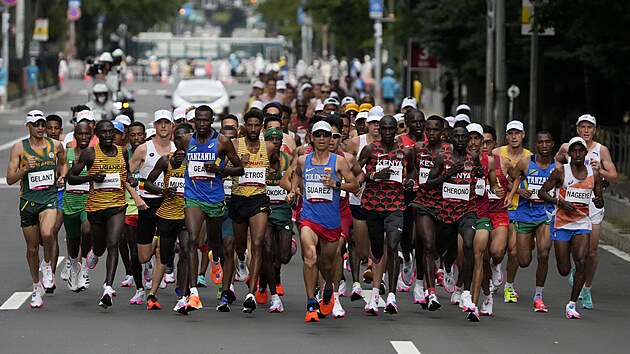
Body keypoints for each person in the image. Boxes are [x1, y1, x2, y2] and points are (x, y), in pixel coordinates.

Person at [288, 121, 360, 322]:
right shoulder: (303, 160)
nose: (321, 138)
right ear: (311, 137)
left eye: (325, 135)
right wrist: (294, 191)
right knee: (310, 256)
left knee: (327, 264)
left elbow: (355, 185)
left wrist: (336, 184)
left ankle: (328, 288)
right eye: (317, 134)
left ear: (330, 139)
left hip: (331, 221)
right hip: (309, 219)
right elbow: (296, 176)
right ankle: (311, 302)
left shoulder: (339, 162)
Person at [178, 105, 243, 312]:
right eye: (198, 120)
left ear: (212, 120)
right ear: (194, 121)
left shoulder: (222, 141)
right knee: (192, 239)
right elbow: (177, 159)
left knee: (216, 244)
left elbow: (239, 168)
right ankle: (193, 292)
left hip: (215, 199)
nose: (202, 124)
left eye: (206, 120)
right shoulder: (187, 140)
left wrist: (219, 170)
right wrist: (175, 159)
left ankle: (217, 265)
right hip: (193, 196)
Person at [68, 120, 135, 308]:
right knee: (100, 247)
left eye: (111, 132)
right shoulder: (90, 153)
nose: (107, 135)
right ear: (97, 134)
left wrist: (131, 179)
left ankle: (107, 287)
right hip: (96, 208)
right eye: (103, 132)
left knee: (113, 243)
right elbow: (71, 178)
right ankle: (95, 253)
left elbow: (127, 174)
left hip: (117, 206)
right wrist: (91, 177)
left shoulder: (122, 151)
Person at [554, 114, 619, 309]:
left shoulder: (602, 150)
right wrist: (561, 180)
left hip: (591, 203)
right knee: (576, 254)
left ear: (595, 130)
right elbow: (557, 160)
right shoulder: (568, 147)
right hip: (571, 205)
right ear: (577, 129)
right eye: (582, 127)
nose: (586, 130)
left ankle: (587, 288)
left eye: (590, 127)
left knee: (591, 251)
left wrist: (601, 171)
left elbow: (615, 176)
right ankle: (577, 269)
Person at [6, 110, 67, 307]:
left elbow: (64, 163)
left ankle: (47, 265)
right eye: (36, 125)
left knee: (48, 234)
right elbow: (9, 179)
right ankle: (35, 287)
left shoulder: (55, 145)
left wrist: (62, 176)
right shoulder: (19, 148)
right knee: (32, 249)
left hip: (48, 198)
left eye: (42, 124)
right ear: (28, 127)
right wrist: (25, 169)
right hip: (27, 202)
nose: (41, 128)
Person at [539, 137, 604, 319]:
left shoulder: (594, 174)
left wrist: (599, 201)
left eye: (580, 151)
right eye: (573, 151)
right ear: (569, 154)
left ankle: (572, 304)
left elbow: (599, 201)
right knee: (564, 269)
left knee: (582, 260)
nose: (577, 154)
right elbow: (541, 192)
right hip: (562, 223)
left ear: (585, 153)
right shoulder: (561, 172)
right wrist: (560, 202)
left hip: (582, 223)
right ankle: (573, 270)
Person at [358, 115, 413, 315]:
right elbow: (355, 172)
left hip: (396, 206)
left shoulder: (405, 152)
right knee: (377, 251)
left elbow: (412, 173)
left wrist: (409, 182)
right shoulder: (371, 150)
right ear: (379, 130)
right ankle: (374, 293)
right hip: (373, 206)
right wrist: (372, 176)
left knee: (392, 245)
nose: (388, 132)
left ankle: (391, 296)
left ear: (396, 130)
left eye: (392, 129)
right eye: (385, 129)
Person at [229, 109, 279, 313]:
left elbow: (275, 160)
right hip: (238, 199)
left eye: (256, 126)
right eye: (249, 125)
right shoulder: (234, 145)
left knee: (258, 243)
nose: (252, 129)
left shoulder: (268, 147)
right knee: (240, 247)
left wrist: (272, 171)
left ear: (262, 127)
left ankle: (251, 293)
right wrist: (234, 166)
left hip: (259, 199)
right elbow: (224, 164)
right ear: (244, 125)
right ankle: (241, 261)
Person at [129, 110, 176, 297]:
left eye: (167, 123)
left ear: (172, 126)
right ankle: (156, 240)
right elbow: (124, 175)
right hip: (147, 204)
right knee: (143, 257)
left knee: (160, 253)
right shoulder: (143, 149)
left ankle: (152, 293)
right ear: (154, 126)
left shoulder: (176, 149)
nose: (163, 126)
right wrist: (136, 197)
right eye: (159, 123)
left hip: (169, 205)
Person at [143, 124, 191, 311]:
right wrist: (163, 191)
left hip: (188, 214)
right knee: (164, 255)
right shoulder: (165, 160)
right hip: (168, 214)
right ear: (174, 139)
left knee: (187, 251)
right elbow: (147, 183)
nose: (181, 141)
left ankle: (185, 292)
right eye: (177, 138)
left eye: (185, 138)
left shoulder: (195, 162)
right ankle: (152, 293)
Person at [508, 131, 556, 313]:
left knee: (544, 255)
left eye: (547, 142)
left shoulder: (558, 166)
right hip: (525, 214)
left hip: (546, 214)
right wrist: (519, 191)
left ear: (552, 144)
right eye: (540, 142)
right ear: (535, 145)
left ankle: (538, 296)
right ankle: (531, 242)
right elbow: (510, 176)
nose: (544, 145)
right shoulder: (526, 163)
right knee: (524, 261)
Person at [409, 115, 451, 309]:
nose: (432, 133)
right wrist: (410, 180)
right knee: (426, 244)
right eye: (429, 130)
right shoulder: (418, 149)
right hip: (423, 202)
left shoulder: (449, 151)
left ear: (443, 132)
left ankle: (438, 270)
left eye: (436, 130)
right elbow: (410, 170)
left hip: (445, 205)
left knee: (437, 248)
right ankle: (430, 292)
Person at [491, 120, 531, 303]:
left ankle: (509, 286)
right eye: (511, 133)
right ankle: (494, 266)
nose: (514, 136)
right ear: (506, 136)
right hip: (499, 206)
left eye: (517, 133)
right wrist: (512, 190)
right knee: (497, 250)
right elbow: (493, 179)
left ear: (523, 135)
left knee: (514, 251)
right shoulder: (497, 154)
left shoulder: (530, 157)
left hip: (520, 209)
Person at [61, 122, 94, 292]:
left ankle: (84, 267)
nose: (83, 137)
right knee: (73, 240)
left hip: (88, 201)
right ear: (75, 136)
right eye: (80, 134)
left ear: (91, 135)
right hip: (70, 202)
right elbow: (63, 172)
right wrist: (62, 176)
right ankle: (74, 267)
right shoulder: (68, 153)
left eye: (86, 134)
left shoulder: (95, 154)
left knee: (87, 231)